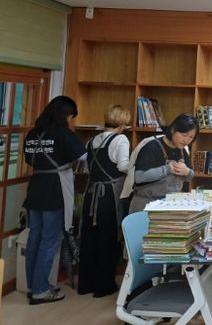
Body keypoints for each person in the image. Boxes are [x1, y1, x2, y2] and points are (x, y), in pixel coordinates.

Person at [23, 95, 87, 305]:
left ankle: (33, 286)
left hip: (35, 189)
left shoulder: (32, 133)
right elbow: (84, 156)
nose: (70, 120)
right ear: (64, 114)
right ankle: (41, 290)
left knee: (34, 238)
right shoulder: (63, 133)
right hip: (54, 190)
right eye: (70, 116)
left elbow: (29, 159)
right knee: (49, 241)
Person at [77, 104, 131, 297]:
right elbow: (123, 166)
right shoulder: (121, 139)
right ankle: (103, 285)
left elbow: (87, 167)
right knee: (108, 238)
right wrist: (136, 166)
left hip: (91, 193)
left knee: (89, 238)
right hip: (109, 194)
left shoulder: (91, 141)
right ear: (122, 123)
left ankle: (85, 284)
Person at [127, 113, 198, 214]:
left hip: (169, 203)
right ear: (173, 130)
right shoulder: (152, 146)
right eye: (184, 135)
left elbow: (190, 176)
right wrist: (167, 169)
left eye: (191, 137)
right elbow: (139, 177)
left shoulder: (182, 150)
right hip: (146, 204)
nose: (186, 140)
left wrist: (187, 172)